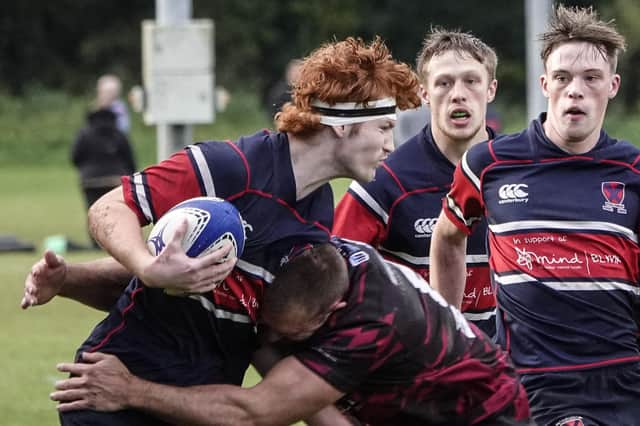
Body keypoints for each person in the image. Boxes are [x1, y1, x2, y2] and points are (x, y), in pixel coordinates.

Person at [24, 37, 421, 425]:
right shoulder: (229, 167)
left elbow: (252, 323)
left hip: (193, 405)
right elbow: (109, 208)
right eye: (384, 127)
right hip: (111, 396)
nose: (390, 145)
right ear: (341, 123)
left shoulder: (318, 217)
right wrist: (148, 266)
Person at [50, 239, 531, 425]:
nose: (272, 339)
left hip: (482, 416)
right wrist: (65, 279)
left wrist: (130, 389)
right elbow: (165, 276)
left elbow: (254, 411)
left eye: (291, 335)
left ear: (332, 314)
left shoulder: (371, 323)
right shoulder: (307, 255)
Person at [429, 5, 640, 425]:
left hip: (621, 383)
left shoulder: (633, 172)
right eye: (562, 78)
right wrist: (449, 334)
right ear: (545, 83)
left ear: (612, 86)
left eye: (591, 79)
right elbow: (448, 236)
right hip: (527, 384)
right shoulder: (488, 163)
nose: (574, 90)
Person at [333, 29, 498, 337]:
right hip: (419, 367)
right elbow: (332, 274)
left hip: (509, 370)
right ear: (424, 94)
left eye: (471, 81)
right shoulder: (385, 181)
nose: (458, 93)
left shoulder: (515, 172)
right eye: (444, 83)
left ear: (491, 89)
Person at [71, 104, 136, 248]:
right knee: (119, 212)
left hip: (90, 181)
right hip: (116, 179)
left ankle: (96, 243)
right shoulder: (119, 134)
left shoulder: (84, 134)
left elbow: (75, 157)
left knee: (93, 211)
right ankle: (120, 242)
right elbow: (130, 159)